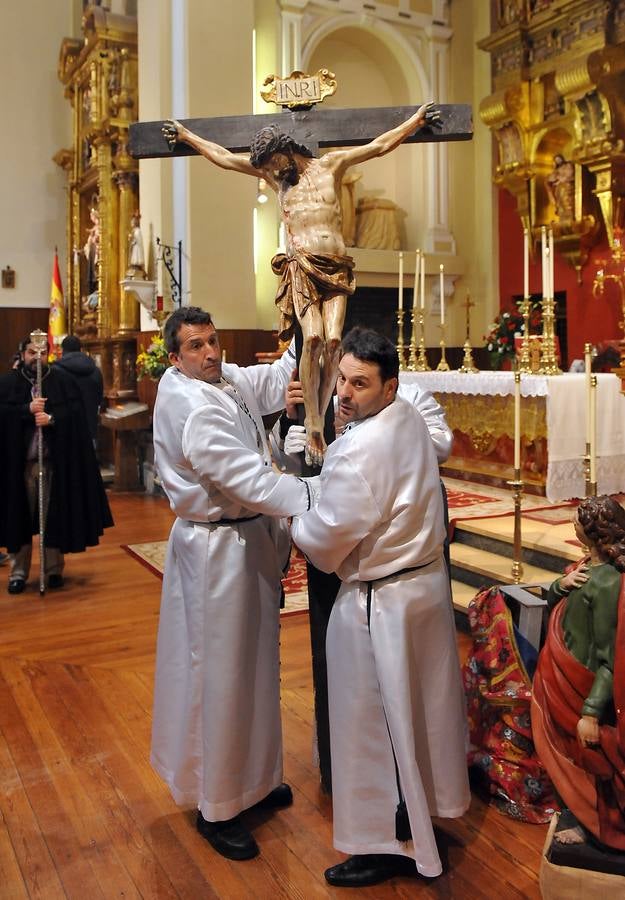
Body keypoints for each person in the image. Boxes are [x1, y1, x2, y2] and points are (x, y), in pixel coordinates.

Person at [162, 102, 442, 466]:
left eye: (275, 164)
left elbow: (378, 146)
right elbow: (224, 158)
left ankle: (325, 411)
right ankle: (313, 422)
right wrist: (187, 136)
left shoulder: (331, 165)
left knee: (334, 341)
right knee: (311, 339)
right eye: (266, 169)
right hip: (303, 265)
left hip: (337, 264)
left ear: (286, 150)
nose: (273, 172)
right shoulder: (274, 179)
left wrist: (416, 122)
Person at [291, 328, 470, 887]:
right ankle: (418, 815)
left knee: (368, 721)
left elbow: (324, 541)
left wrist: (293, 507)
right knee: (417, 713)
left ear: (390, 386)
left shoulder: (362, 447)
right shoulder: (408, 418)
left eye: (359, 384)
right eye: (341, 379)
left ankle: (381, 843)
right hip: (422, 588)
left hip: (379, 603)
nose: (343, 392)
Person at [151, 305, 317, 862]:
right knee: (219, 673)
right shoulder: (188, 403)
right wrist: (310, 499)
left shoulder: (222, 378)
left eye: (214, 341)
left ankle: (258, 779)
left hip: (246, 542)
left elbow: (273, 379)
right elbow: (242, 477)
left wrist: (303, 325)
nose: (211, 353)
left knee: (257, 665)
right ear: (175, 357)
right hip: (215, 549)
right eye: (196, 346)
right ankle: (217, 805)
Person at [531, 495, 625, 850]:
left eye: (578, 521)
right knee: (572, 758)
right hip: (563, 676)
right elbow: (561, 599)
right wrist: (560, 586)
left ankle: (599, 827)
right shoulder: (588, 568)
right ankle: (585, 817)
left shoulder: (607, 583)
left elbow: (608, 657)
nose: (572, 524)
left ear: (595, 532)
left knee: (592, 764)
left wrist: (590, 711)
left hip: (581, 684)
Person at [0, 336, 113, 594]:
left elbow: (75, 416)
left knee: (53, 517)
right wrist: (26, 410)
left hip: (53, 463)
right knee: (20, 516)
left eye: (41, 352)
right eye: (31, 352)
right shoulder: (8, 383)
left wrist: (51, 418)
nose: (35, 357)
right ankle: (19, 572)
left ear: (48, 353)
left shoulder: (62, 381)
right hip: (21, 467)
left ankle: (53, 570)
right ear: (22, 353)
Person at [55, 335, 104, 445]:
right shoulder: (95, 370)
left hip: (65, 429)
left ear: (62, 350)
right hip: (89, 428)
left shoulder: (56, 371)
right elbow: (99, 398)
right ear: (81, 349)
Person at [546, 153, 575, 221]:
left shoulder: (568, 165)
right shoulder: (557, 169)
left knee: (566, 197)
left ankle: (570, 212)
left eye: (559, 159)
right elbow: (551, 178)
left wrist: (561, 179)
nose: (558, 161)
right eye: (556, 160)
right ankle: (561, 210)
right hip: (559, 187)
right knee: (559, 197)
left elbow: (570, 174)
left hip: (568, 184)